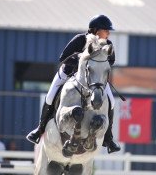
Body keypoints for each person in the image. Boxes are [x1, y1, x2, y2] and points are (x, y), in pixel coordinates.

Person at [26, 14, 121, 154]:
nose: (108, 33)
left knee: (111, 102)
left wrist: (99, 65)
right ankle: (40, 129)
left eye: (108, 31)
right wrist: (81, 62)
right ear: (95, 30)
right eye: (106, 30)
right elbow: (63, 58)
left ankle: (108, 138)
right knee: (51, 95)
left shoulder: (108, 45)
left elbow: (110, 62)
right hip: (69, 73)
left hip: (95, 79)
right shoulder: (80, 39)